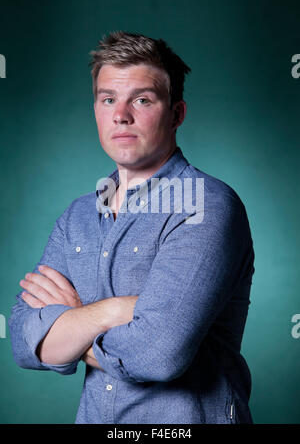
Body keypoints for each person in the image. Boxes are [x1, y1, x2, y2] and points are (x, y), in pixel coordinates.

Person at [9, 31, 255, 424]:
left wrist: (73, 324)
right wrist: (112, 311)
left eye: (142, 99)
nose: (121, 115)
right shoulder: (78, 216)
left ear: (177, 114)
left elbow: (159, 355)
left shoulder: (207, 205)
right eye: (108, 99)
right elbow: (23, 340)